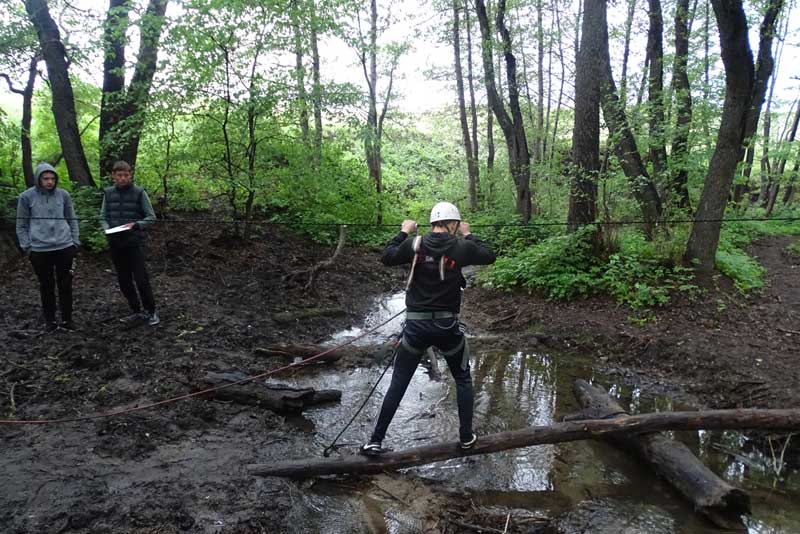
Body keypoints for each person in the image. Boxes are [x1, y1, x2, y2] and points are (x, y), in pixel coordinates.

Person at [362, 201, 496, 455]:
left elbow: (386, 256)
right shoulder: (462, 246)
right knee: (463, 379)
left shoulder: (414, 244)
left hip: (415, 327)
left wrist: (404, 231)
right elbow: (489, 255)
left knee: (399, 382)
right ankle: (466, 438)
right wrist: (470, 234)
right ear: (453, 224)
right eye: (457, 225)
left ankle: (375, 441)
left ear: (434, 223)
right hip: (447, 327)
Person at [16, 163, 80, 331]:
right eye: (46, 178)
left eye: (52, 178)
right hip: (39, 250)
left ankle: (67, 320)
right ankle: (50, 320)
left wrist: (75, 242)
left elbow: (72, 219)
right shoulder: (26, 197)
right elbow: (21, 225)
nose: (50, 182)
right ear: (39, 179)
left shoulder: (63, 195)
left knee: (65, 285)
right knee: (46, 285)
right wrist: (27, 247)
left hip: (64, 246)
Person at [99, 160, 160, 326]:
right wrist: (106, 229)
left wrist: (137, 225)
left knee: (141, 278)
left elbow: (151, 217)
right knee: (124, 280)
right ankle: (136, 310)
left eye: (126, 175)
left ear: (130, 175)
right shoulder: (108, 193)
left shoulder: (139, 193)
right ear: (113, 176)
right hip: (115, 242)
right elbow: (102, 216)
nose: (123, 178)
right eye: (120, 175)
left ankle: (151, 311)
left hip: (134, 242)